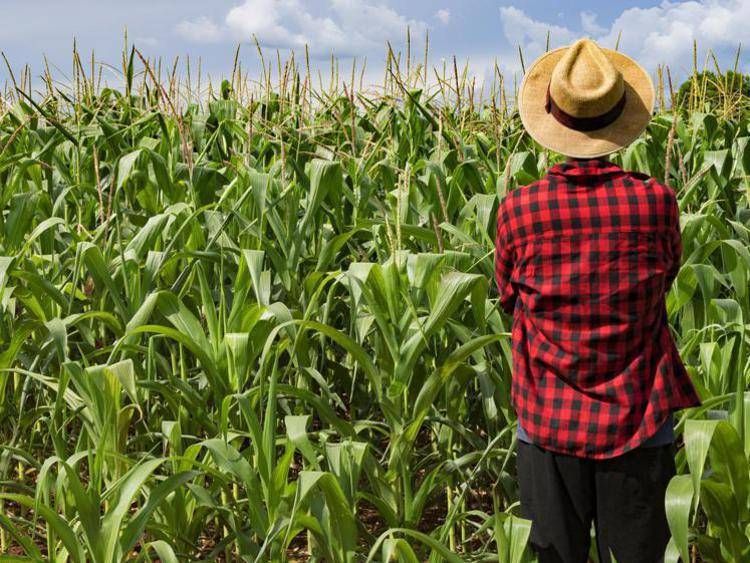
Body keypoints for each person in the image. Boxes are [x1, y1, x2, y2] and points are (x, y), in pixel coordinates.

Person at [494, 38, 701, 563]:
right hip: (640, 415)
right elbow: (666, 277)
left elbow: (508, 298)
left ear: (552, 120)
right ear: (620, 119)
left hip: (547, 419)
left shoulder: (519, 210)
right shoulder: (657, 203)